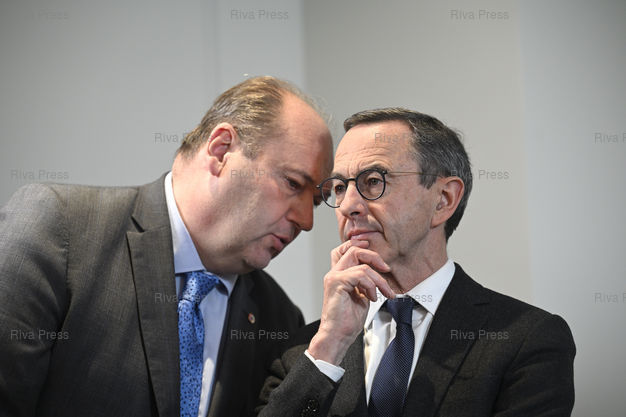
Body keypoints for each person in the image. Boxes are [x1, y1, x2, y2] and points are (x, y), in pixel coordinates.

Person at [0, 76, 333, 417]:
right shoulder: (60, 231)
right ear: (221, 150)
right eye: (293, 183)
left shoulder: (279, 318)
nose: (306, 220)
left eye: (315, 202)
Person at [256, 108, 576, 416]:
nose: (348, 206)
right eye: (339, 187)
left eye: (373, 181)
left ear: (443, 200)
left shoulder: (527, 339)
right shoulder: (303, 350)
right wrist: (330, 345)